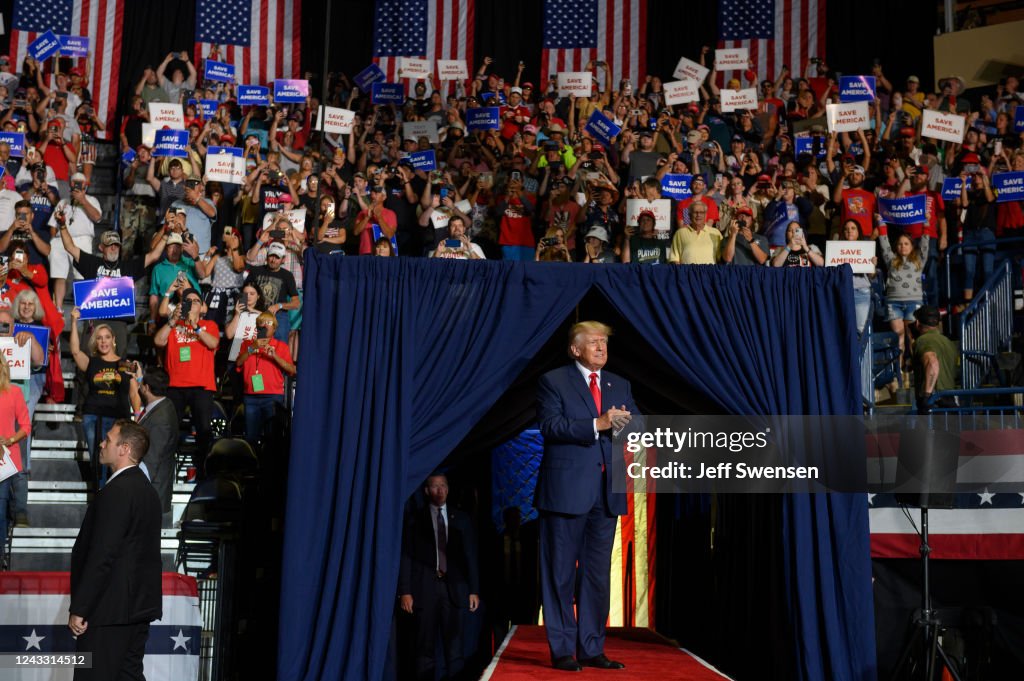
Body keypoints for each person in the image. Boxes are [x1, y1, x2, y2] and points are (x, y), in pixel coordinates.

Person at [535, 321, 639, 671]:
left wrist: (632, 428)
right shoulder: (554, 381)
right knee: (560, 574)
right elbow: (551, 427)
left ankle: (591, 648)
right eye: (593, 343)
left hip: (606, 494)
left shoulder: (619, 384)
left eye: (604, 343)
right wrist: (598, 423)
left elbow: (637, 426)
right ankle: (563, 649)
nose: (601, 348)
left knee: (596, 576)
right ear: (575, 349)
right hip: (565, 494)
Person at [69, 419, 162, 681]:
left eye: (108, 439)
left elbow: (103, 554)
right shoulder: (148, 492)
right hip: (137, 610)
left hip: (108, 611)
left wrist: (81, 607)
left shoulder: (117, 491)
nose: (101, 443)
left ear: (124, 449)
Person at [398, 473, 480, 681]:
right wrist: (405, 591)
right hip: (425, 589)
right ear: (427, 491)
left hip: (454, 590)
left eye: (443, 486)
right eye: (435, 486)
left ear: (448, 489)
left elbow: (470, 556)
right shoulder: (415, 519)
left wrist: (474, 590)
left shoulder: (461, 519)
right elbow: (406, 557)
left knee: (454, 649)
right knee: (424, 650)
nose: (440, 490)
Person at [153, 287, 219, 476]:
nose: (191, 304)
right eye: (187, 301)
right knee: (169, 430)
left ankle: (203, 472)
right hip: (175, 385)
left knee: (204, 431)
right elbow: (158, 341)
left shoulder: (209, 325)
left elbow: (213, 343)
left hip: (202, 386)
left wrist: (196, 327)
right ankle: (166, 470)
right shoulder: (174, 326)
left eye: (195, 301)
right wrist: (173, 321)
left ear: (202, 307)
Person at [69, 308, 132, 487]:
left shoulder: (124, 364)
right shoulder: (91, 362)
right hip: (93, 417)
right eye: (99, 338)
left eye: (107, 337)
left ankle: (114, 497)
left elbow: (133, 392)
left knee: (118, 462)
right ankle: (101, 497)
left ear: (113, 340)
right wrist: (74, 321)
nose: (103, 341)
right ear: (95, 342)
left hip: (117, 420)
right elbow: (74, 351)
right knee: (98, 461)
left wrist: (137, 415)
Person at [236, 312, 296, 444]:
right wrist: (252, 348)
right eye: (261, 323)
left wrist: (275, 356)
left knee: (272, 438)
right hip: (251, 397)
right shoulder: (247, 344)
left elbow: (292, 370)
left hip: (273, 397)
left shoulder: (281, 346)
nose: (265, 325)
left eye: (268, 323)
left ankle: (269, 464)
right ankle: (253, 464)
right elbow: (238, 363)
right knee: (251, 438)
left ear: (274, 328)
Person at [878, 230, 929, 370]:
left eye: (906, 243)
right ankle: (899, 371)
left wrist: (925, 225)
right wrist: (881, 224)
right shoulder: (891, 260)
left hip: (914, 303)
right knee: (898, 337)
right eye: (900, 244)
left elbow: (925, 244)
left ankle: (916, 369)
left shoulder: (919, 260)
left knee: (912, 337)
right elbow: (884, 245)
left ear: (912, 246)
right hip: (894, 304)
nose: (903, 246)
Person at [0, 358, 31, 546]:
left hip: (5, 461)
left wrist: (10, 440)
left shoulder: (14, 392)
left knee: (0, 511)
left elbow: (26, 426)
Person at [911, 306, 959, 413]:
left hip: (934, 401)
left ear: (917, 323)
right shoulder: (947, 341)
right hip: (950, 398)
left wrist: (927, 396)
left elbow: (932, 362)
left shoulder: (923, 340)